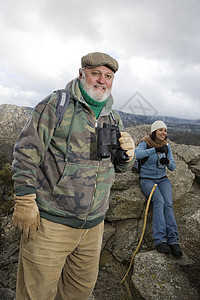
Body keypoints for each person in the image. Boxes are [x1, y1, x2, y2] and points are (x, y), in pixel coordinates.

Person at [12, 52, 136, 300]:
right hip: (51, 224)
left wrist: (127, 156)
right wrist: (25, 200)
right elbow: (26, 152)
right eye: (96, 74)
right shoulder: (57, 105)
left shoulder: (113, 117)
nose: (102, 80)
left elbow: (118, 168)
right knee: (37, 294)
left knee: (78, 293)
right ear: (82, 74)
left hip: (93, 227)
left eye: (108, 76)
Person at [135, 120, 182, 257]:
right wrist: (153, 150)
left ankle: (173, 241)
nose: (163, 133)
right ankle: (160, 240)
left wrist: (167, 161)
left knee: (168, 204)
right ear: (154, 131)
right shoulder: (145, 142)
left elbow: (172, 166)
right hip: (147, 179)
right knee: (159, 201)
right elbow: (136, 154)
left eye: (165, 130)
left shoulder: (166, 146)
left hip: (163, 179)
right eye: (160, 130)